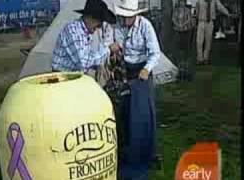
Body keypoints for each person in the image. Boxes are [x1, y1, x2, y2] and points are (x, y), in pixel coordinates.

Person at [113, 0, 161, 178]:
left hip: (142, 72)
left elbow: (155, 52)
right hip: (127, 70)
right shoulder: (119, 25)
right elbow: (119, 46)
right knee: (126, 113)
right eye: (123, 16)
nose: (124, 19)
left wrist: (146, 69)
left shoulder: (146, 26)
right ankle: (128, 151)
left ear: (135, 15)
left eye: (127, 16)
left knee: (143, 115)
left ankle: (146, 152)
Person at [51, 0, 121, 73]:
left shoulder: (84, 32)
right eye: (99, 24)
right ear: (90, 18)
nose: (99, 28)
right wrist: (109, 50)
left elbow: (89, 57)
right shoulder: (73, 31)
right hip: (62, 77)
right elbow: (83, 63)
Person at [195, 0, 230, 65]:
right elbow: (196, 11)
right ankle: (199, 59)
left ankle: (206, 59)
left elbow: (220, 7)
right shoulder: (199, 1)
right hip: (201, 21)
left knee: (208, 41)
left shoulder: (215, 1)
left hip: (210, 22)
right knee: (199, 41)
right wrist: (197, 19)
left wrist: (227, 13)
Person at [172, 0, 195, 81]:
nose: (182, 3)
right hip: (178, 31)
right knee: (179, 49)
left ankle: (186, 68)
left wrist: (183, 24)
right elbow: (173, 19)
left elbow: (189, 19)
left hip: (186, 30)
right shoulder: (176, 11)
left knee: (186, 49)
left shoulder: (188, 10)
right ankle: (180, 67)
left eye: (183, 2)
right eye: (180, 2)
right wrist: (178, 24)